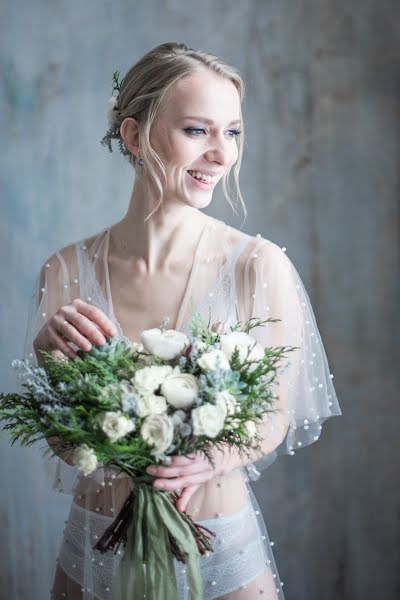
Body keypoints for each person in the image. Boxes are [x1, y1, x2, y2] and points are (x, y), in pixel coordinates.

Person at [25, 42, 342, 599]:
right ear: (132, 136)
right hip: (94, 553)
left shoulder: (257, 266)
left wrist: (209, 460)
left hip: (217, 552)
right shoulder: (65, 271)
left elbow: (275, 415)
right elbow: (62, 441)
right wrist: (47, 361)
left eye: (234, 132)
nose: (222, 154)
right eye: (198, 131)